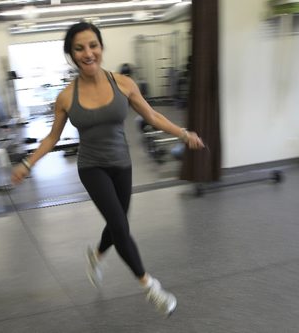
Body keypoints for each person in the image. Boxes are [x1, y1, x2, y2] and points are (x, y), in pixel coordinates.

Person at [11, 21, 204, 317]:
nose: (88, 53)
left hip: (121, 165)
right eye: (79, 48)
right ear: (71, 54)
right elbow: (52, 138)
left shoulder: (123, 83)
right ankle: (150, 286)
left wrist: (183, 133)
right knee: (121, 226)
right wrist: (27, 163)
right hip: (91, 167)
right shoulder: (66, 97)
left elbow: (151, 115)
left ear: (101, 47)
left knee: (117, 226)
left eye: (93, 46)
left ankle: (96, 255)